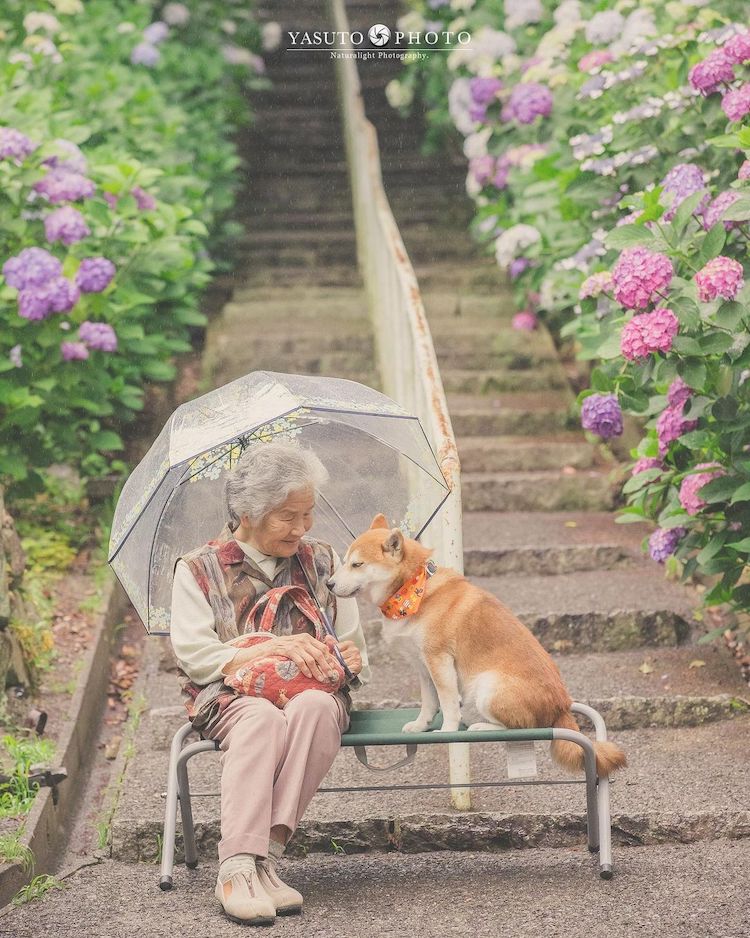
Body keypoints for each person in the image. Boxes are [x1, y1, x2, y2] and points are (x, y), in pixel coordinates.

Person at [169, 441, 370, 926]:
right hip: (231, 696)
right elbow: (196, 658)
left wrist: (350, 657)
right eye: (286, 516)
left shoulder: (322, 561)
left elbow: (353, 646)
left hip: (313, 692)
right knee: (260, 717)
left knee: (317, 709)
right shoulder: (199, 568)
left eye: (307, 514)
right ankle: (237, 867)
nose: (301, 528)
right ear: (247, 512)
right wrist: (269, 648)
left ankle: (265, 857)